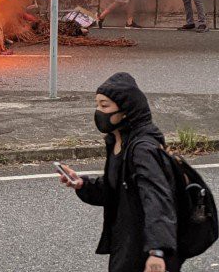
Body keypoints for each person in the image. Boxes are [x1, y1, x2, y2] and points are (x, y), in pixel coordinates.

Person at [57, 72, 182, 272]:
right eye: (97, 104)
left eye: (104, 106)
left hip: (145, 248)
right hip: (125, 241)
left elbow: (158, 198)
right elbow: (117, 189)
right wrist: (83, 184)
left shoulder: (143, 148)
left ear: (125, 111)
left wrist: (157, 252)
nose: (98, 112)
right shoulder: (118, 141)